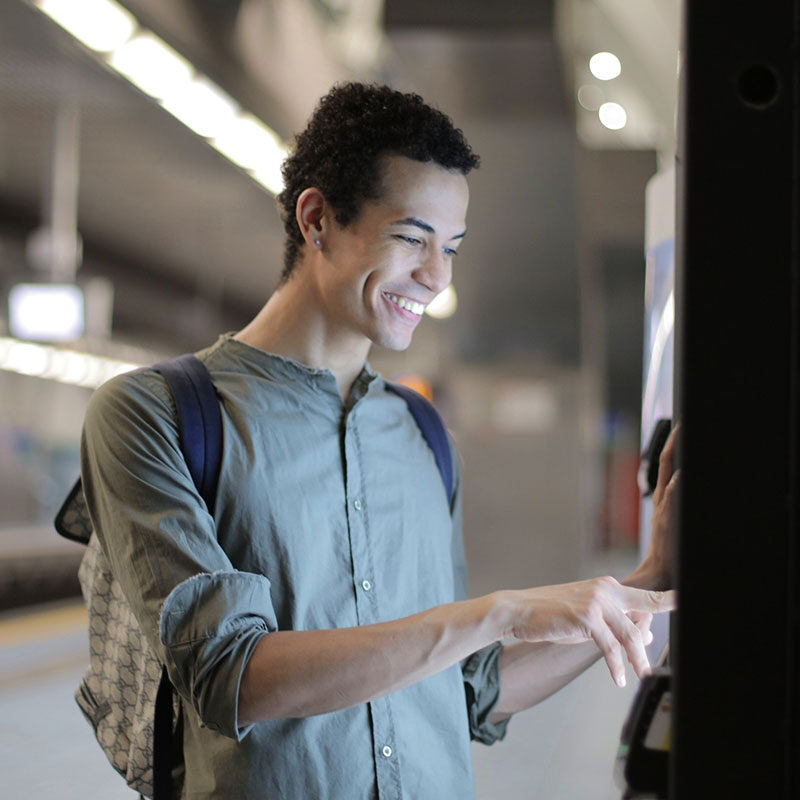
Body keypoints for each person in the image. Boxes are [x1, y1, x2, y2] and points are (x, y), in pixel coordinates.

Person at [80, 82, 677, 799]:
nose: (436, 276)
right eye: (410, 237)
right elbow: (229, 677)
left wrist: (644, 583)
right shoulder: (158, 414)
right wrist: (501, 612)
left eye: (451, 247)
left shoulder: (422, 432)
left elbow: (465, 695)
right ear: (318, 218)